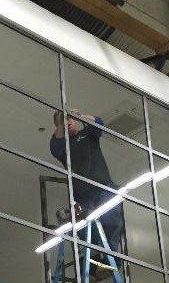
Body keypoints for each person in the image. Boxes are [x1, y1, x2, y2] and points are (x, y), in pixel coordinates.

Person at [49, 109, 123, 256]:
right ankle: (95, 259)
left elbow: (99, 123)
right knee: (86, 228)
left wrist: (81, 115)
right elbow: (54, 146)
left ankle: (110, 256)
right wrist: (60, 124)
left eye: (70, 119)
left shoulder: (87, 135)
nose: (67, 122)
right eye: (62, 121)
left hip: (102, 187)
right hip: (82, 196)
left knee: (111, 219)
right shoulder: (63, 146)